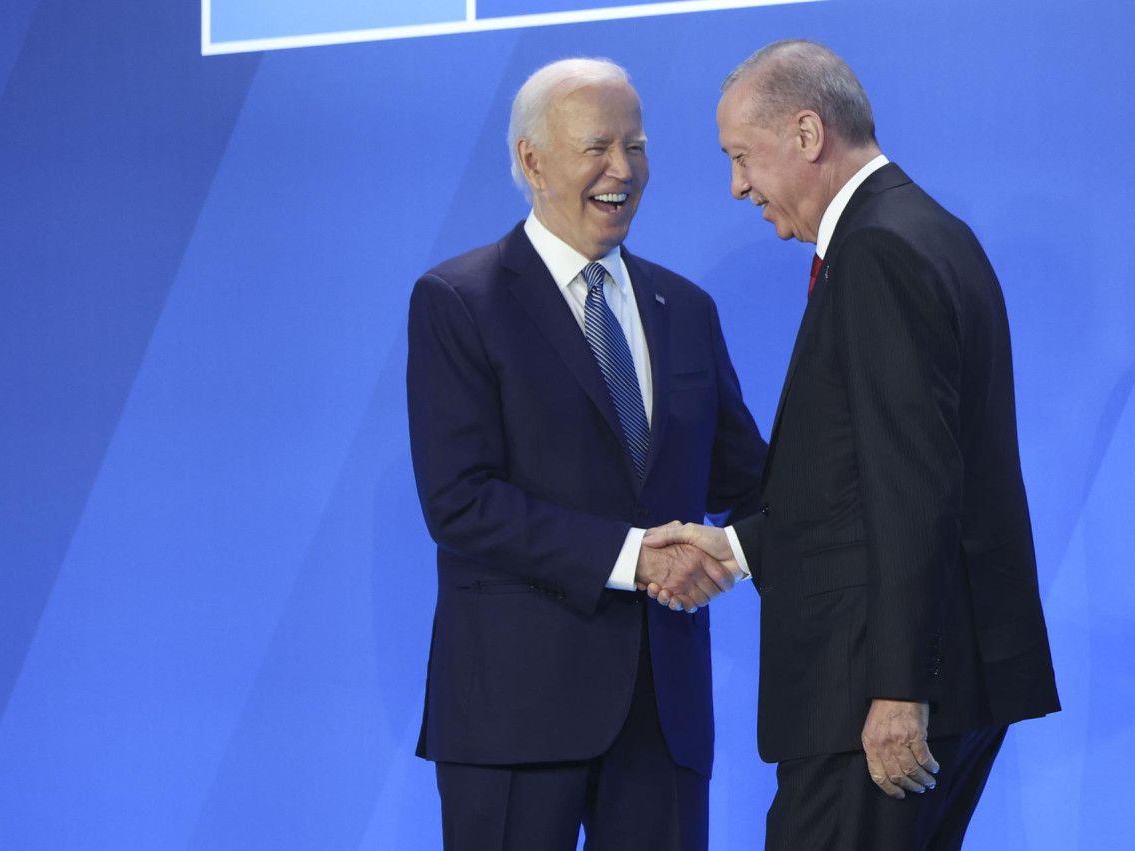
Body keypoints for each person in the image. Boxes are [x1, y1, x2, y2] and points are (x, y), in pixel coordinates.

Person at [643, 40, 1060, 849]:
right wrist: (736, 547)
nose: (736, 187)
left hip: (876, 692)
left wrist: (900, 689)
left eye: (740, 157)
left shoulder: (876, 250)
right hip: (939, 678)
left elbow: (916, 483)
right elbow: (860, 482)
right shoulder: (929, 229)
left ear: (806, 134)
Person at [406, 57, 767, 850]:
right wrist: (636, 556)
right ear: (532, 160)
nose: (622, 170)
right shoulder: (460, 301)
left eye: (635, 147)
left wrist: (749, 546)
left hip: (662, 715)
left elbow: (749, 483)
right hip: (513, 717)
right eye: (596, 147)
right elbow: (459, 500)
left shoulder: (686, 307)